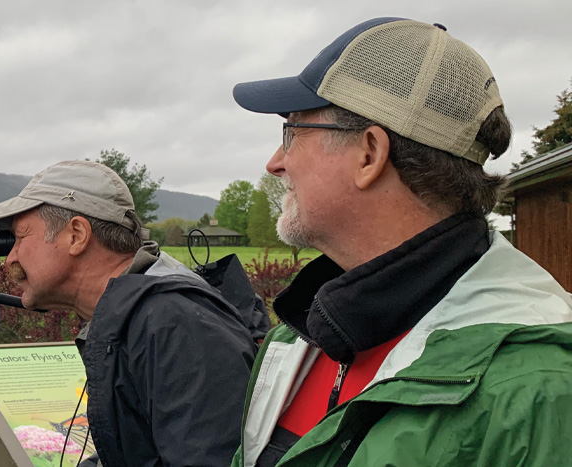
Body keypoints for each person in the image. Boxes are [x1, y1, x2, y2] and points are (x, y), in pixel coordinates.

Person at [230, 17, 572, 466]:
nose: (276, 163)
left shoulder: (539, 389)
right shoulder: (294, 343)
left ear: (369, 153)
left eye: (292, 132)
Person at [0, 160, 260, 467]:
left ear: (76, 235)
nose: (10, 258)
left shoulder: (174, 323)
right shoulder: (139, 316)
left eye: (19, 237)